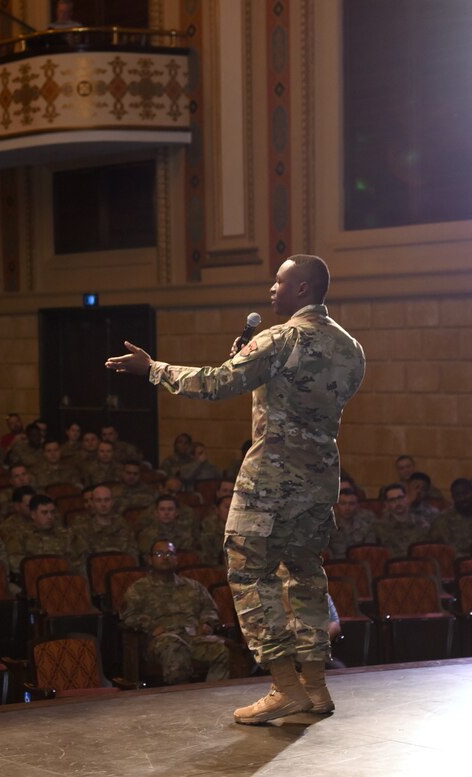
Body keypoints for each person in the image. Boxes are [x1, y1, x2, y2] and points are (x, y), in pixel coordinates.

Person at [105, 254, 365, 724]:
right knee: (305, 576)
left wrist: (153, 369)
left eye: (280, 282)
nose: (272, 289)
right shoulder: (350, 347)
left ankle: (284, 688)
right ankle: (316, 689)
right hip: (321, 480)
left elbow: (216, 383)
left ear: (302, 289)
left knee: (250, 575)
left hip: (271, 481)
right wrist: (254, 362)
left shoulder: (281, 337)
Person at [121, 541, 230, 686]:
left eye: (170, 554)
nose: (165, 558)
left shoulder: (193, 586)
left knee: (225, 649)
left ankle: (211, 693)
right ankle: (180, 697)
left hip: (193, 637)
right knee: (174, 646)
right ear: (150, 559)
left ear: (176, 559)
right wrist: (151, 626)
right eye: (159, 554)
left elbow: (209, 609)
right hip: (161, 641)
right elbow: (128, 615)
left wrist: (207, 623)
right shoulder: (139, 588)